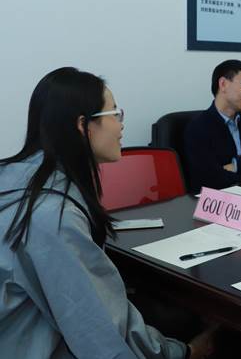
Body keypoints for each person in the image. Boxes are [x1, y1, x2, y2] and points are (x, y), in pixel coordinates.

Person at [0, 67, 214, 358]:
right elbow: (101, 333)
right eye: (114, 113)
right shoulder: (54, 216)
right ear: (83, 125)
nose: (120, 125)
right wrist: (186, 352)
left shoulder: (18, 177)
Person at [185, 60, 241, 193]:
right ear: (223, 84)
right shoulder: (198, 126)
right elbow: (211, 179)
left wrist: (235, 166)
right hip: (220, 201)